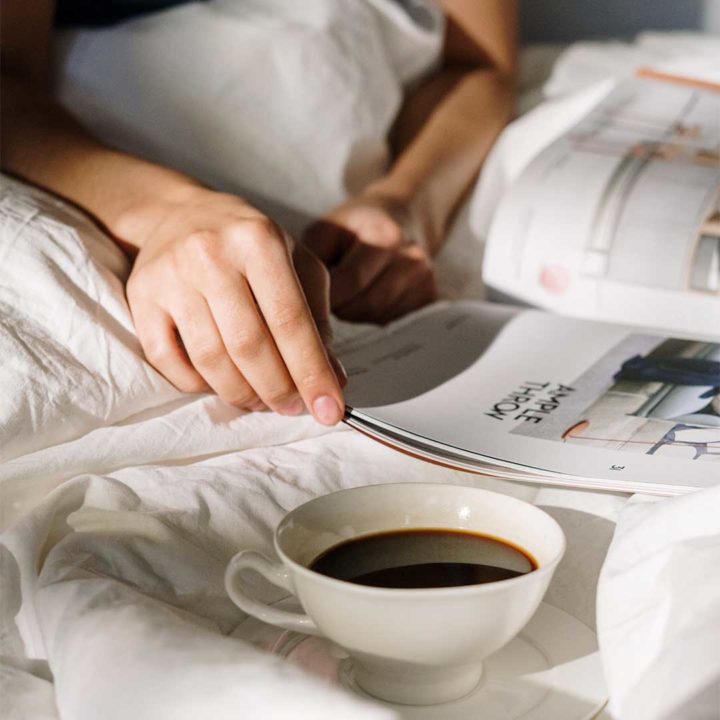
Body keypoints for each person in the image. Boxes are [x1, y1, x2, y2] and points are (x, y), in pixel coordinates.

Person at [1, 0, 517, 425]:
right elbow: (7, 80)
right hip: (111, 182)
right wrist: (169, 212)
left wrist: (404, 205)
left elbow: (480, 65)